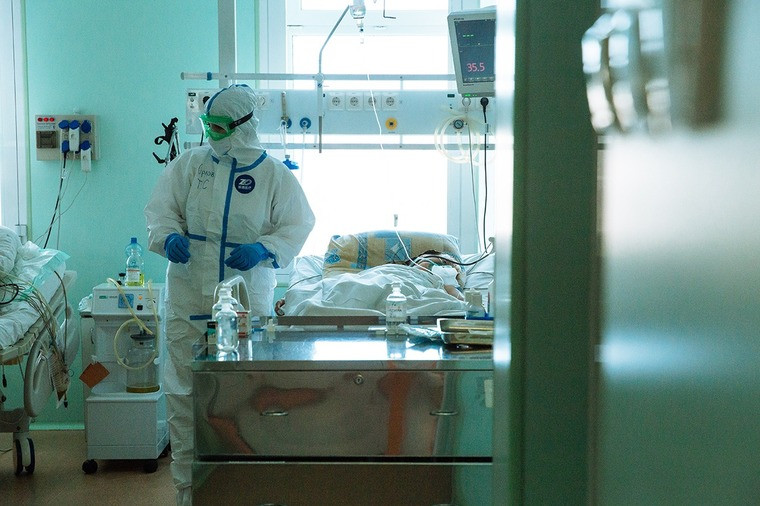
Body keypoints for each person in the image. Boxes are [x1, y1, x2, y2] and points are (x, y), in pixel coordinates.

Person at [144, 83, 315, 505]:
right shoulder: (190, 165)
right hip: (188, 297)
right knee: (183, 397)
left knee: (247, 397)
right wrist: (168, 238)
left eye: (220, 126)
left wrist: (265, 248)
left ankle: (247, 488)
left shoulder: (273, 175)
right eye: (208, 124)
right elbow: (161, 212)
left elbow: (298, 224)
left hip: (245, 300)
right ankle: (188, 491)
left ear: (244, 125)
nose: (212, 132)